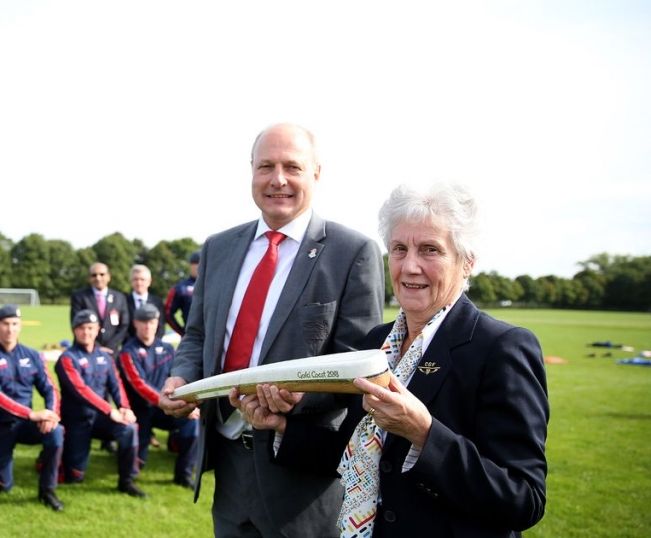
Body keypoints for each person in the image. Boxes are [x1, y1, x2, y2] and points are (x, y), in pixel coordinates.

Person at [262, 183, 548, 536]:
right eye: (399, 249)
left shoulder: (501, 347)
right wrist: (281, 427)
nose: (410, 266)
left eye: (430, 250)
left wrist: (425, 434)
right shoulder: (377, 342)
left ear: (467, 261)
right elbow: (360, 452)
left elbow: (524, 498)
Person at [158, 123, 385, 537]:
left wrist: (301, 394)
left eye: (292, 167)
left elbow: (361, 367)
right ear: (251, 172)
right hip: (228, 460)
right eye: (266, 166)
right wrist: (183, 376)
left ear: (316, 174)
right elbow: (196, 336)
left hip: (300, 473)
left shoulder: (352, 252)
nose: (278, 179)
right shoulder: (218, 247)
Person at [0, 305, 65, 511]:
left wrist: (51, 414)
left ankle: (47, 490)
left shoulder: (33, 355)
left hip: (27, 424)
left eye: (14, 324)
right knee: (2, 487)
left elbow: (49, 388)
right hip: (1, 426)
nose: (10, 329)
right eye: (5, 324)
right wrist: (32, 414)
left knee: (56, 431)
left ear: (20, 326)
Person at [55, 309, 146, 498]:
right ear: (74, 330)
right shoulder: (67, 359)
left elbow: (116, 384)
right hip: (77, 421)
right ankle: (52, 458)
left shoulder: (106, 357)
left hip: (100, 419)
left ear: (97, 330)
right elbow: (81, 390)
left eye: (90, 328)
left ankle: (126, 480)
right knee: (74, 477)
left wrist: (124, 407)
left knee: (129, 428)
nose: (86, 332)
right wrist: (109, 409)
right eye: (81, 328)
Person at [117, 304, 198, 488]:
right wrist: (164, 401)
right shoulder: (127, 352)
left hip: (165, 408)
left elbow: (179, 376)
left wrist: (187, 404)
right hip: (141, 412)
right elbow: (139, 385)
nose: (148, 327)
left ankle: (184, 474)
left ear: (157, 323)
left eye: (152, 322)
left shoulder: (168, 349)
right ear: (136, 323)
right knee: (139, 463)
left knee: (192, 423)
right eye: (144, 322)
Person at [69, 262, 130, 353]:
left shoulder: (119, 297)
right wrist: (96, 347)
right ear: (89, 278)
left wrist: (111, 346)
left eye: (102, 274)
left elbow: (124, 325)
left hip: (112, 351)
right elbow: (76, 323)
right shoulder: (79, 297)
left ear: (108, 277)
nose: (98, 278)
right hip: (86, 351)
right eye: (94, 275)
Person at [124, 264, 165, 340]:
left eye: (142, 279)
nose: (139, 283)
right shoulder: (124, 301)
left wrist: (152, 343)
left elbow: (161, 326)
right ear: (131, 281)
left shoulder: (157, 302)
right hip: (130, 346)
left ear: (149, 281)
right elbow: (123, 326)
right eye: (135, 279)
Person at [163, 251, 199, 337]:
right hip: (191, 336)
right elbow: (168, 312)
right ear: (191, 265)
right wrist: (182, 332)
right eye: (196, 264)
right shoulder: (180, 288)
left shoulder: (215, 285)